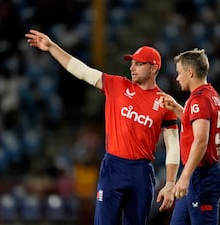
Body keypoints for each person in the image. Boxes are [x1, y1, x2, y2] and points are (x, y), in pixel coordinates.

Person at [25, 29, 180, 225]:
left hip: (141, 172)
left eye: (139, 64)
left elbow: (173, 144)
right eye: (132, 63)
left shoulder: (165, 103)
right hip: (113, 167)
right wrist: (52, 47)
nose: (132, 67)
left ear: (154, 68)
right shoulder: (117, 85)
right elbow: (81, 70)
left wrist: (171, 182)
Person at [158, 48, 220, 225]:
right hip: (197, 174)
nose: (177, 78)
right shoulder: (208, 94)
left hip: (202, 176)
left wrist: (185, 177)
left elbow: (201, 140)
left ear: (190, 72)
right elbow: (195, 123)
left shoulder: (199, 101)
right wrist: (176, 108)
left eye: (179, 73)